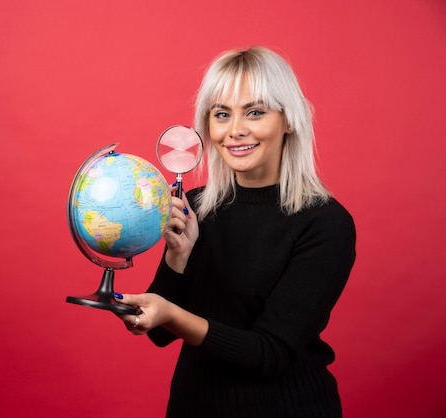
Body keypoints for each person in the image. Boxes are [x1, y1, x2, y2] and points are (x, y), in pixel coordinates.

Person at [114, 46, 356, 417]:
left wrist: (170, 313)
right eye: (222, 114)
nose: (235, 130)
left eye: (255, 112)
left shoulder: (324, 223)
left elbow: (269, 354)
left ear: (288, 120)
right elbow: (161, 333)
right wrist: (177, 257)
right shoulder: (196, 207)